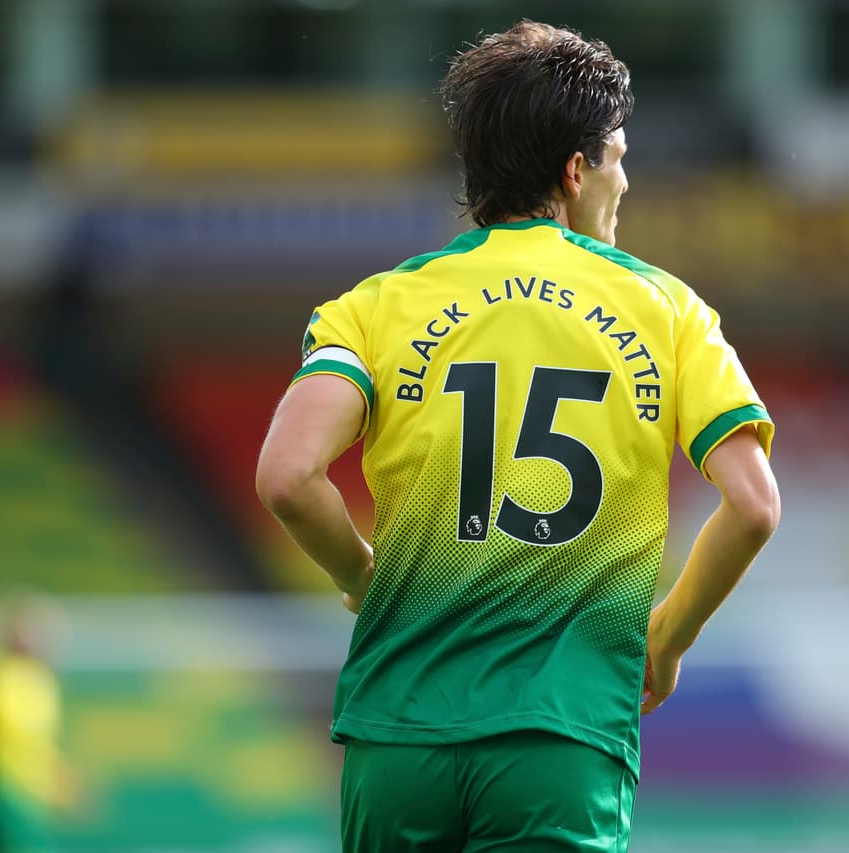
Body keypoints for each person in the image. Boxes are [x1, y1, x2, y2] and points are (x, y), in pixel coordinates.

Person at [256, 19, 779, 852]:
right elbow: (752, 506)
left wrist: (363, 575)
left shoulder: (378, 304)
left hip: (399, 735)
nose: (626, 180)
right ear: (577, 171)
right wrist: (667, 637)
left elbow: (287, 476)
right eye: (618, 156)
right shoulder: (669, 310)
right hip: (561, 735)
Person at [0, 596, 76, 853]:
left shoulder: (42, 682)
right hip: (3, 792)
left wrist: (57, 776)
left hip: (33, 796)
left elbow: (38, 744)